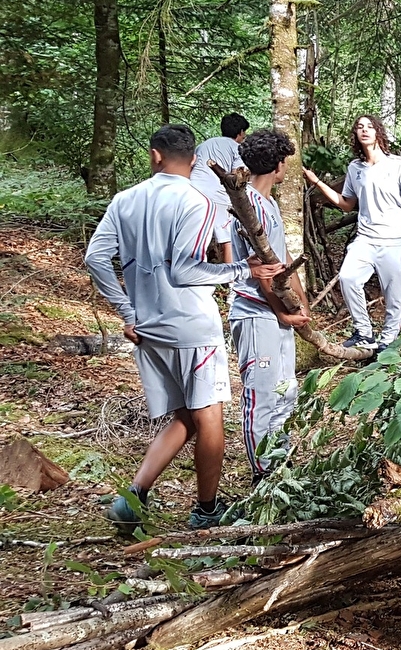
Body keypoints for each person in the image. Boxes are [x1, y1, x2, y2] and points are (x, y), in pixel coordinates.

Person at [85, 124, 284, 531]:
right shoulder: (197, 201)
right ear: (194, 160)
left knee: (186, 416)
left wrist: (127, 312)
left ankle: (132, 499)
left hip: (148, 327)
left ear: (155, 155)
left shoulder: (125, 200)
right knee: (209, 416)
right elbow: (186, 270)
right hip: (191, 324)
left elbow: (95, 258)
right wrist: (242, 270)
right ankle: (207, 509)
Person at [303, 115, 401, 353]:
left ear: (379, 132)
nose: (365, 130)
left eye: (370, 126)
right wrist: (317, 181)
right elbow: (347, 204)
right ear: (356, 135)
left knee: (394, 295)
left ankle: (388, 341)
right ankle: (364, 332)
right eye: (360, 127)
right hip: (366, 239)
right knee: (348, 278)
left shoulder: (398, 164)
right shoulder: (355, 168)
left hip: (396, 240)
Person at [229, 128, 310, 484]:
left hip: (277, 315)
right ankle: (263, 477)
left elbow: (282, 259)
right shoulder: (245, 205)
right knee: (261, 397)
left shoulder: (270, 204)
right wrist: (280, 311)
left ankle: (282, 469)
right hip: (254, 314)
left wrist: (300, 301)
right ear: (278, 165)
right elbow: (261, 269)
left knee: (285, 393)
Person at [189, 113, 250, 263]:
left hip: (192, 191)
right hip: (217, 194)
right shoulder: (237, 148)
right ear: (240, 132)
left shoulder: (204, 145)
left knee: (195, 235)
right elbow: (237, 176)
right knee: (226, 239)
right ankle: (230, 279)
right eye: (244, 133)